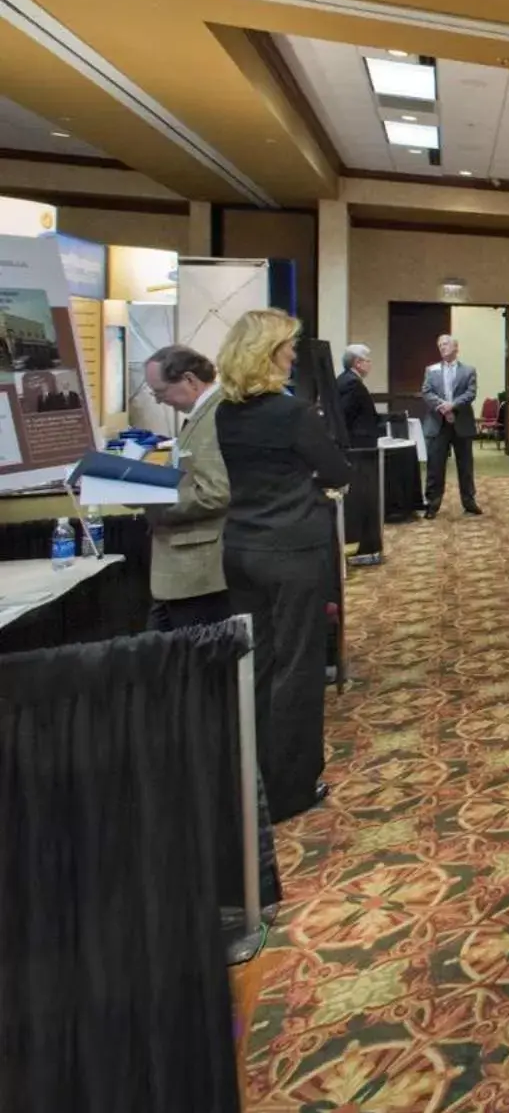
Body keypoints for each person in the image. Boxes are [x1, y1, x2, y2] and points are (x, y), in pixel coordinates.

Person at [213, 309, 352, 822]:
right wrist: (312, 481)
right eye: (288, 346)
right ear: (268, 353)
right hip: (291, 550)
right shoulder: (293, 413)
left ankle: (255, 776)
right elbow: (337, 470)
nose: (294, 354)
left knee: (258, 664)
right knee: (298, 667)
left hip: (240, 549)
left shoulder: (225, 413)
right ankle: (291, 787)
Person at [142, 344, 231, 631]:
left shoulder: (215, 416)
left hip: (199, 567)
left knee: (192, 652)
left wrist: (154, 499)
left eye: (161, 392)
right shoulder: (201, 415)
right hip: (184, 567)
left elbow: (216, 492)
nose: (159, 401)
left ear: (190, 380)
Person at [420, 333, 480, 518]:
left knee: (465, 466)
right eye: (440, 345)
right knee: (435, 466)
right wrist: (442, 407)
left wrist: (452, 405)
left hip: (462, 423)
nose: (442, 347)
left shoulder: (468, 370)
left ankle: (469, 502)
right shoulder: (431, 370)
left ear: (456, 347)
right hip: (437, 424)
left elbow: (470, 393)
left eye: (446, 344)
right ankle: (432, 504)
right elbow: (426, 392)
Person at [335, 343, 383, 445]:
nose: (370, 364)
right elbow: (346, 414)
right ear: (357, 363)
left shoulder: (344, 378)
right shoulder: (352, 383)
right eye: (368, 361)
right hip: (358, 441)